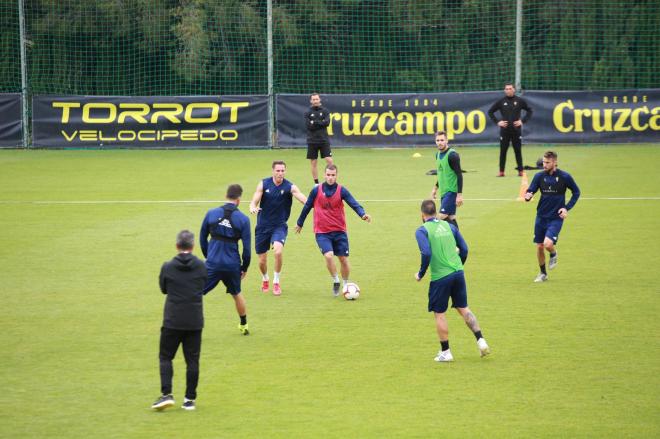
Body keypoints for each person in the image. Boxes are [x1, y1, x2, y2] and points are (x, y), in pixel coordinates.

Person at [415, 200, 490, 362]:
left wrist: (421, 273)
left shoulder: (422, 230)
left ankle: (446, 352)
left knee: (439, 314)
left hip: (440, 277)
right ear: (435, 212)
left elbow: (426, 253)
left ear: (422, 214)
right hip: (458, 272)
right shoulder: (449, 226)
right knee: (464, 308)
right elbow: (465, 249)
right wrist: (458, 266)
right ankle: (481, 340)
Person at [151, 230, 208, 411]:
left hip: (173, 319)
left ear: (177, 246)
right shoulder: (201, 266)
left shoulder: (167, 267)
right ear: (192, 246)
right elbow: (203, 285)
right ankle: (189, 400)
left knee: (166, 357)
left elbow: (163, 289)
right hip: (194, 319)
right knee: (192, 360)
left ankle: (167, 394)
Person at [295, 164, 371, 296]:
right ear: (324, 175)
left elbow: (353, 203)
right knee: (329, 256)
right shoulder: (316, 190)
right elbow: (307, 206)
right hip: (322, 232)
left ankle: (346, 284)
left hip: (339, 231)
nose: (330, 178)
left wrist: (362, 214)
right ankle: (336, 280)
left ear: (336, 175)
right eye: (328, 175)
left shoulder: (342, 190)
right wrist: (300, 222)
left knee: (343, 259)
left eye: (333, 175)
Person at [249, 160, 308, 296]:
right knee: (262, 261)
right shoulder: (264, 184)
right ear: (273, 171)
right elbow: (255, 199)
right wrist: (252, 206)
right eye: (278, 170)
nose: (280, 173)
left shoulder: (290, 187)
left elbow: (304, 199)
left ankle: (276, 282)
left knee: (278, 252)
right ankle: (265, 279)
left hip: (279, 226)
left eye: (282, 171)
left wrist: (316, 205)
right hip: (262, 226)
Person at [200, 184, 252, 334]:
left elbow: (203, 237)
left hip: (213, 262)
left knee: (196, 293)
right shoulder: (243, 219)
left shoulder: (211, 213)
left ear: (226, 196)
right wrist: (244, 267)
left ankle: (193, 324)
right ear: (239, 200)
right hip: (232, 265)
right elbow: (247, 249)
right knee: (236, 294)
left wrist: (208, 256)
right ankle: (244, 325)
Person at [524, 151, 580, 282]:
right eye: (543, 162)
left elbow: (576, 192)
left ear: (555, 162)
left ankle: (553, 253)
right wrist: (528, 195)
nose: (544, 164)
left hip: (556, 218)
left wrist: (566, 208)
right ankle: (543, 274)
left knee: (548, 244)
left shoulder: (565, 177)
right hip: (541, 216)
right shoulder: (539, 176)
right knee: (539, 246)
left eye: (547, 162)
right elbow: (531, 189)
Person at [488, 82, 533, 177]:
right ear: (504, 90)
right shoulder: (501, 101)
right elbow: (490, 112)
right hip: (504, 131)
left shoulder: (519, 101)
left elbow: (530, 110)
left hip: (516, 130)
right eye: (506, 89)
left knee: (518, 151)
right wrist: (498, 122)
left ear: (514, 90)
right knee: (503, 151)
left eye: (510, 88)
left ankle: (520, 171)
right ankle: (501, 171)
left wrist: (522, 121)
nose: (508, 90)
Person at [430, 131, 463, 228]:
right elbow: (441, 173)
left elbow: (459, 175)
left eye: (442, 140)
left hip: (451, 192)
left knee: (441, 216)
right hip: (444, 193)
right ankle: (459, 242)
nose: (439, 142)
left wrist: (459, 195)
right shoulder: (437, 155)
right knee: (451, 218)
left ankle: (429, 236)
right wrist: (435, 188)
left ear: (447, 141)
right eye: (437, 140)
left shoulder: (452, 155)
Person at [305, 93, 333, 184]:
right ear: (311, 101)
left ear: (319, 100)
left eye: (317, 99)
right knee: (313, 162)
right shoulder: (307, 112)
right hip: (312, 140)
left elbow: (327, 123)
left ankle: (331, 179)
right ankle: (316, 183)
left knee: (329, 160)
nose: (315, 101)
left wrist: (315, 122)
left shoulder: (325, 111)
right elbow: (309, 126)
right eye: (313, 99)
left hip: (324, 140)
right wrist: (321, 122)